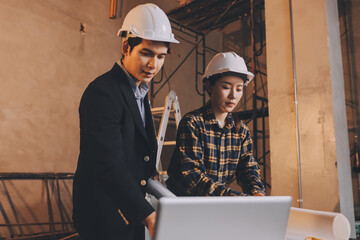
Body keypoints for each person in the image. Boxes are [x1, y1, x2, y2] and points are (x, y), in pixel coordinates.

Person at [72, 3, 179, 240]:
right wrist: (148, 215)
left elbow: (138, 156)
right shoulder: (103, 92)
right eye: (146, 53)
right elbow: (108, 164)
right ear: (125, 47)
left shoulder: (140, 92)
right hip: (103, 213)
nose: (154, 65)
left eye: (161, 56)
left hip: (129, 209)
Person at [166, 52, 265, 197]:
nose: (233, 95)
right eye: (226, 87)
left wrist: (257, 193)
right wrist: (234, 198)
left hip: (216, 204)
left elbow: (248, 169)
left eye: (239, 89)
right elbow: (193, 176)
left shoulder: (241, 131)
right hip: (185, 205)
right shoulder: (193, 123)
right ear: (209, 85)